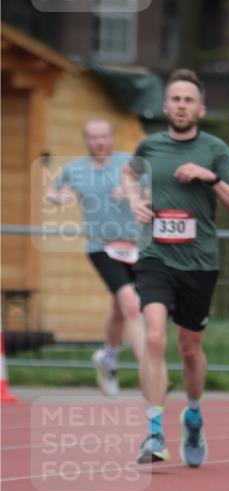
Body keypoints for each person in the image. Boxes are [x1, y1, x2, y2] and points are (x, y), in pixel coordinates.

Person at [124, 68, 229, 466]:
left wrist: (208, 177)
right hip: (154, 256)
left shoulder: (214, 149)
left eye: (188, 100)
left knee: (189, 350)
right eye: (175, 99)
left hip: (198, 261)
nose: (181, 105)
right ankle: (154, 431)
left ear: (201, 108)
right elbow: (127, 177)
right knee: (155, 337)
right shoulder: (149, 147)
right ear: (165, 106)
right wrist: (133, 201)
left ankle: (193, 414)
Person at [45, 120, 144, 395]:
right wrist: (59, 197)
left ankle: (108, 357)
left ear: (111, 138)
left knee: (119, 309)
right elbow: (51, 190)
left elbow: (152, 193)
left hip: (134, 245)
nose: (99, 142)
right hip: (101, 247)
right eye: (93, 137)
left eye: (103, 136)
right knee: (131, 304)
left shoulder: (129, 163)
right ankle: (150, 370)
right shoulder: (75, 169)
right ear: (86, 140)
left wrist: (131, 191)